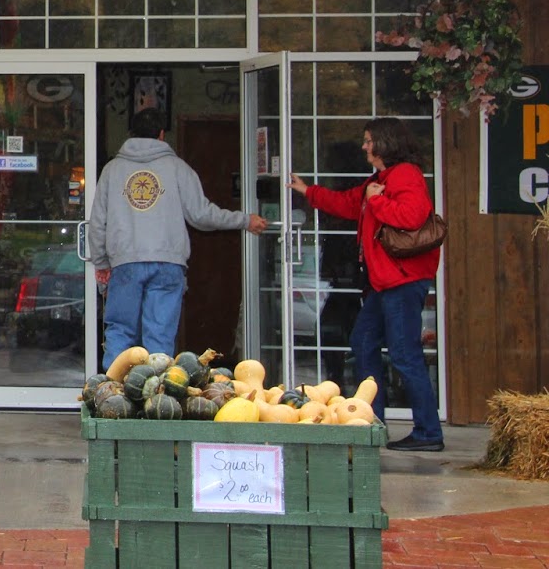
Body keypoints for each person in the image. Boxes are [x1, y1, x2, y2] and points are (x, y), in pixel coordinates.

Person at [290, 117, 442, 451]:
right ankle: (372, 421)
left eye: (368, 140)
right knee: (362, 344)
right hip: (385, 283)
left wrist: (376, 201)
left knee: (404, 355)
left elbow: (413, 216)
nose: (364, 146)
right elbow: (346, 203)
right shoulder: (381, 178)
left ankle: (429, 432)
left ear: (384, 143)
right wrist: (307, 191)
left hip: (401, 281)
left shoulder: (405, 175)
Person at [91, 108, 267, 363]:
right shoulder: (178, 168)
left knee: (120, 332)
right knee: (160, 338)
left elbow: (98, 221)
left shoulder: (112, 170)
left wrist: (101, 262)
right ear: (162, 135)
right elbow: (202, 215)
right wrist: (244, 220)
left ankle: (111, 396)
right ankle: (158, 398)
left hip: (125, 263)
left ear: (131, 134)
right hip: (168, 264)